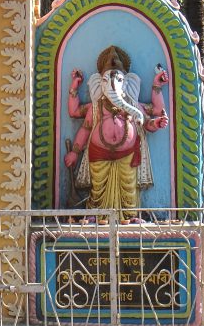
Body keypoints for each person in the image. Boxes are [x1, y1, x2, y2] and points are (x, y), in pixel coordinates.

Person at [64, 45, 170, 218]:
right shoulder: (96, 106)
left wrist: (157, 120)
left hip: (127, 154)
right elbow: (77, 117)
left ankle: (130, 216)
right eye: (106, 81)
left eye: (118, 80)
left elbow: (148, 121)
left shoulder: (132, 105)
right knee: (98, 188)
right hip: (98, 153)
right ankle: (96, 216)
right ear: (99, 83)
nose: (113, 84)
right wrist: (74, 87)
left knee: (129, 187)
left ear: (127, 83)